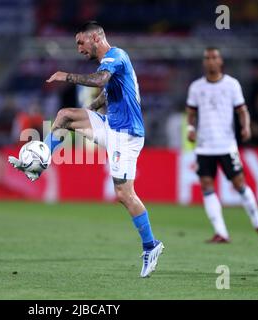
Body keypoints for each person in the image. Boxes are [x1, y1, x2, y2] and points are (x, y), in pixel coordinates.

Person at [9, 21, 164, 278]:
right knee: (65, 116)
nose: (79, 48)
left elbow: (102, 79)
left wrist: (66, 76)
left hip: (127, 136)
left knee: (124, 194)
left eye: (81, 42)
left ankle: (151, 245)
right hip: (111, 126)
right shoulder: (110, 62)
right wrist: (91, 111)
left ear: (95, 37)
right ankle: (41, 161)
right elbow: (109, 90)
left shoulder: (116, 56)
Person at [186, 47, 258, 243]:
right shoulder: (196, 87)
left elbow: (242, 110)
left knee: (239, 184)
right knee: (207, 185)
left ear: (220, 62)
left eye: (214, 57)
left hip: (226, 145)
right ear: (204, 62)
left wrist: (246, 127)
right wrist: (190, 129)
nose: (210, 61)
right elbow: (190, 113)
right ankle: (221, 232)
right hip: (204, 146)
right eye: (207, 58)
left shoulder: (232, 85)